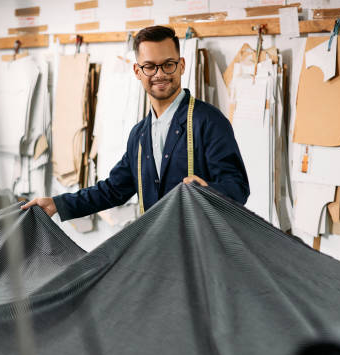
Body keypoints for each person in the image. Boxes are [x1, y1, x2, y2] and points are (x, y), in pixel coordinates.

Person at [22, 25, 249, 219]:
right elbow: (113, 190)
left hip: (201, 254)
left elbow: (237, 188)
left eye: (168, 64)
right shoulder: (139, 134)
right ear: (137, 71)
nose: (159, 74)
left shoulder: (208, 121)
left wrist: (207, 191)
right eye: (150, 66)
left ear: (181, 65)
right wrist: (57, 204)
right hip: (156, 251)